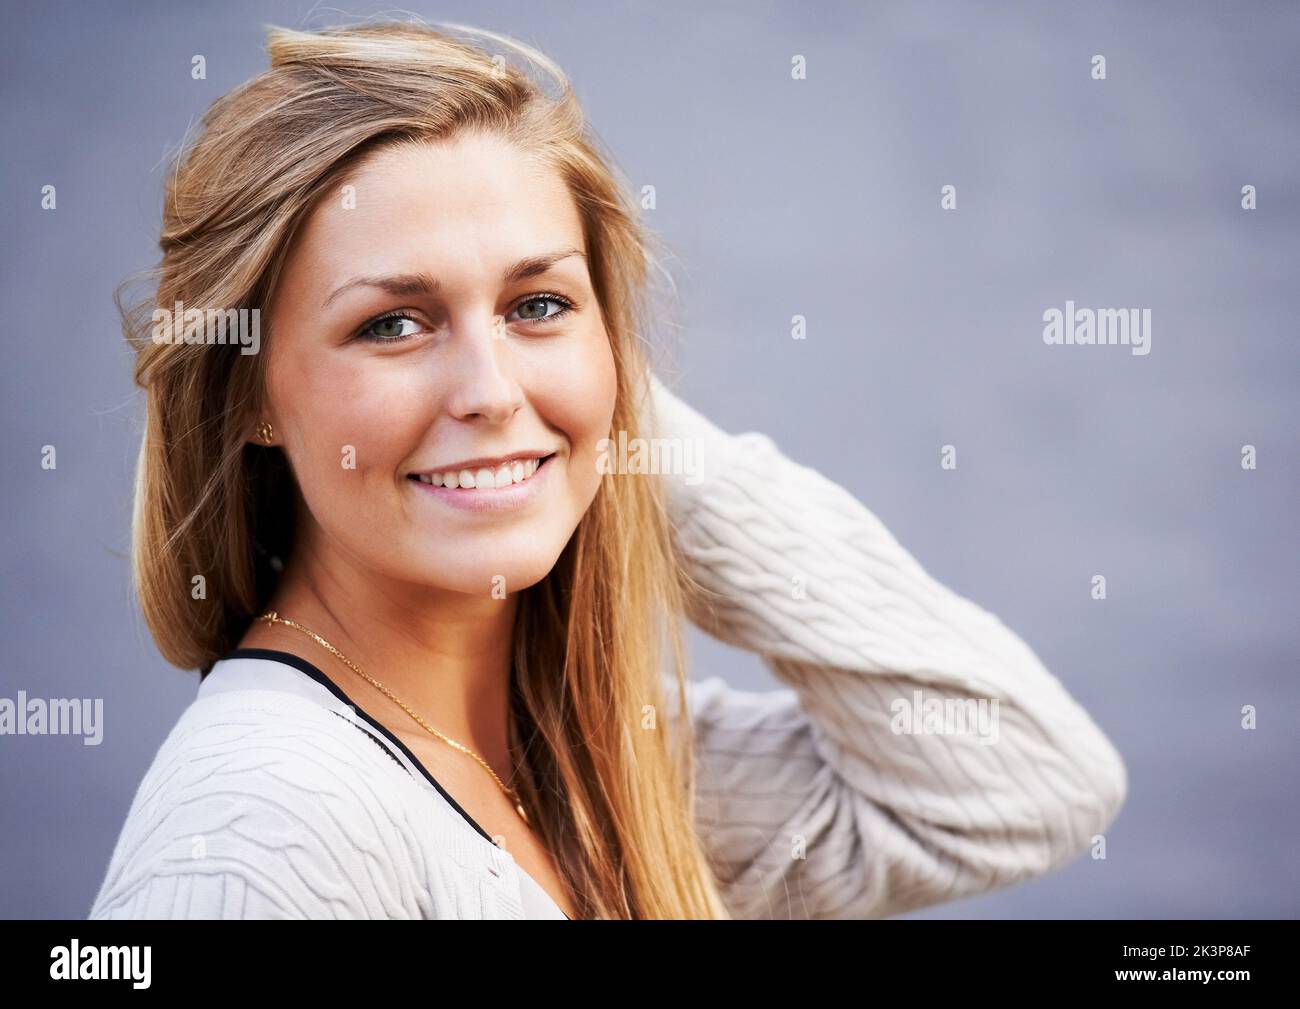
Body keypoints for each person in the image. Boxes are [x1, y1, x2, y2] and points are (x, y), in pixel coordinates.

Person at [88, 19, 1127, 920]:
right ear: (250, 394)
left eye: (537, 305)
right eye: (392, 323)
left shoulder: (601, 757)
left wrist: (599, 424)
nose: (488, 388)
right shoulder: (262, 814)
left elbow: (1031, 780)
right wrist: (552, 415)